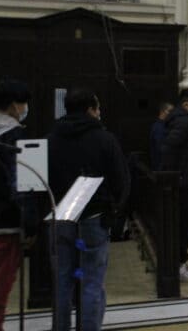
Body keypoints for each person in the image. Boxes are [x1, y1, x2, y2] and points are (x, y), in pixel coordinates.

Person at [47, 87, 130, 331]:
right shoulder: (104, 138)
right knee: (91, 281)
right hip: (93, 217)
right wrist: (115, 212)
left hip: (60, 217)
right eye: (98, 108)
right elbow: (121, 179)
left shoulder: (52, 138)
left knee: (63, 280)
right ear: (90, 109)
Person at [0, 79, 30, 331]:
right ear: (13, 106)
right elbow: (24, 186)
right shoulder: (16, 138)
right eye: (23, 103)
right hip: (5, 224)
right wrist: (30, 225)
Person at [161, 89, 188, 282]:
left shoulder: (185, 121)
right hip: (185, 183)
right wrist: (175, 177)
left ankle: (180, 262)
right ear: (187, 105)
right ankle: (177, 265)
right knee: (186, 225)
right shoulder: (184, 122)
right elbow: (169, 148)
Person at [149, 101, 173, 170]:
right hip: (161, 167)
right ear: (163, 111)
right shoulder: (158, 127)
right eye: (170, 111)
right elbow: (161, 147)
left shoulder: (166, 125)